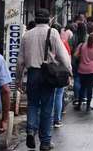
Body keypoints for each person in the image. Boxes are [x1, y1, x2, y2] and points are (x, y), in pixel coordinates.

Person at [16, 9, 71, 151]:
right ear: (48, 20)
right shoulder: (52, 33)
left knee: (32, 104)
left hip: (32, 74)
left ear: (36, 19)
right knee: (47, 107)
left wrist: (18, 80)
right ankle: (45, 142)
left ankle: (30, 130)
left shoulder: (26, 35)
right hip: (48, 74)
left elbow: (20, 61)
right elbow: (63, 55)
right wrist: (69, 71)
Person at [71, 22, 87, 105]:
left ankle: (76, 98)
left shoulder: (74, 36)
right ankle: (84, 97)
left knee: (77, 78)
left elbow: (70, 47)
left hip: (75, 60)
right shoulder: (87, 38)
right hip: (85, 61)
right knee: (85, 80)